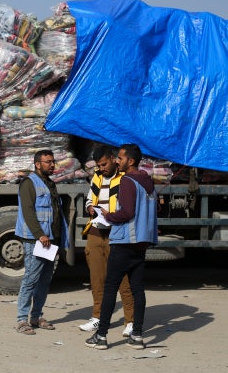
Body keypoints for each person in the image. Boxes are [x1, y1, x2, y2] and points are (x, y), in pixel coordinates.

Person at [85, 143, 158, 350]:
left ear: (131, 161)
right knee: (137, 289)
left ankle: (101, 336)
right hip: (141, 243)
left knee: (110, 289)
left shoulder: (127, 181)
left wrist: (109, 215)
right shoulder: (148, 182)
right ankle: (137, 335)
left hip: (125, 240)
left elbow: (126, 213)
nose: (118, 160)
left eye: (121, 158)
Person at [78, 145, 134, 337]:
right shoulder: (96, 177)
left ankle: (130, 320)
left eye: (104, 164)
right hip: (95, 230)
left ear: (112, 159)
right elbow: (89, 198)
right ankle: (97, 317)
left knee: (122, 279)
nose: (102, 168)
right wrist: (90, 208)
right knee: (96, 277)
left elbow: (127, 207)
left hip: (115, 232)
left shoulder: (124, 178)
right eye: (99, 165)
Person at [14, 149, 69, 335]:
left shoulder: (50, 183)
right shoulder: (29, 183)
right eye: (48, 162)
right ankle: (22, 320)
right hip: (37, 240)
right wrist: (39, 235)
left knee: (44, 281)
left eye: (53, 161)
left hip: (50, 240)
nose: (52, 165)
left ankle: (36, 316)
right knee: (31, 279)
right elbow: (28, 212)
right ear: (37, 164)